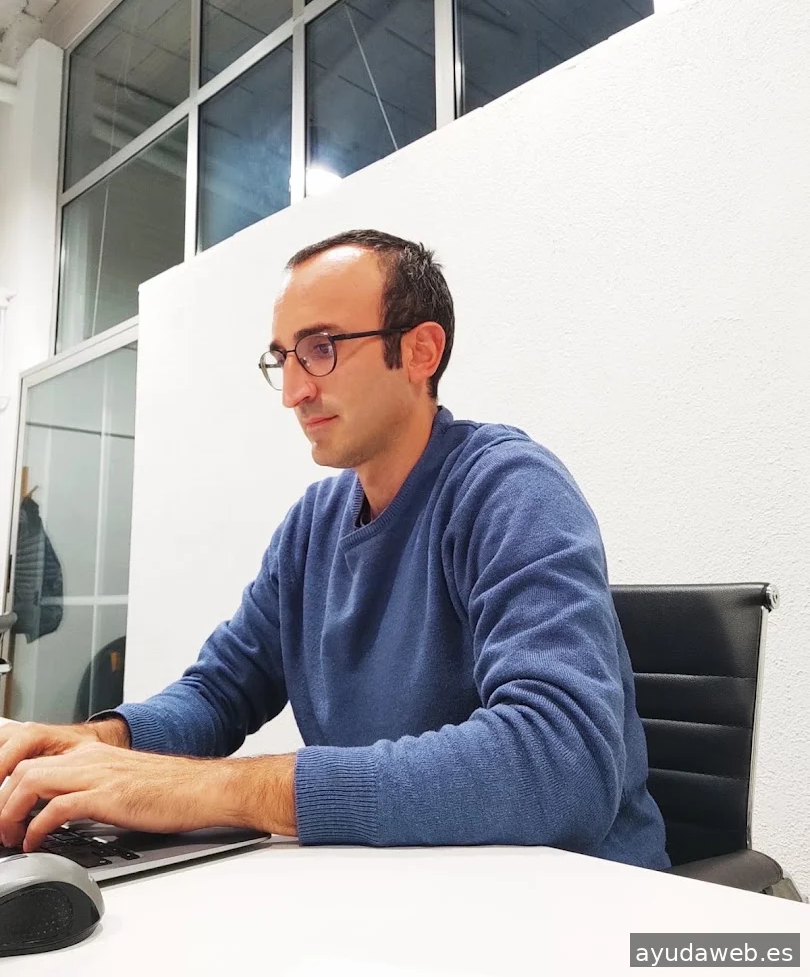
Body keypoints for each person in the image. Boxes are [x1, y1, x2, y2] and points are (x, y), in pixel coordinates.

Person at [0, 228, 669, 869]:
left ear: (420, 351)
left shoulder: (511, 490)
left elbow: (562, 761)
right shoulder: (312, 526)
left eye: (321, 348)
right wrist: (97, 743)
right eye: (283, 359)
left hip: (573, 900)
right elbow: (220, 691)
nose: (294, 392)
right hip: (397, 887)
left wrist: (211, 789)